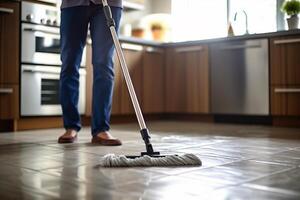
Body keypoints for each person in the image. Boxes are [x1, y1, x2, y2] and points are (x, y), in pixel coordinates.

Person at [58, 0, 123, 145]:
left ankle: (101, 129)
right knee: (69, 63)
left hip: (109, 3)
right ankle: (71, 126)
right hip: (73, 4)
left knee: (104, 64)